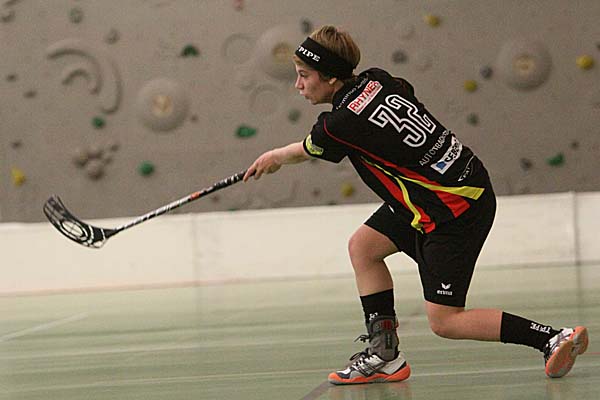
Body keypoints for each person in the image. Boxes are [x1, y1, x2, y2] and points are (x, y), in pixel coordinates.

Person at [243, 25, 589, 385]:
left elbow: (306, 149)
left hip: (454, 209)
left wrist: (274, 156)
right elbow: (402, 94)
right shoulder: (378, 79)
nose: (298, 85)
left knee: (446, 321)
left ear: (330, 77)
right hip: (451, 188)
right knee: (364, 247)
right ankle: (385, 355)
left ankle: (552, 338)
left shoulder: (338, 125)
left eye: (304, 75)